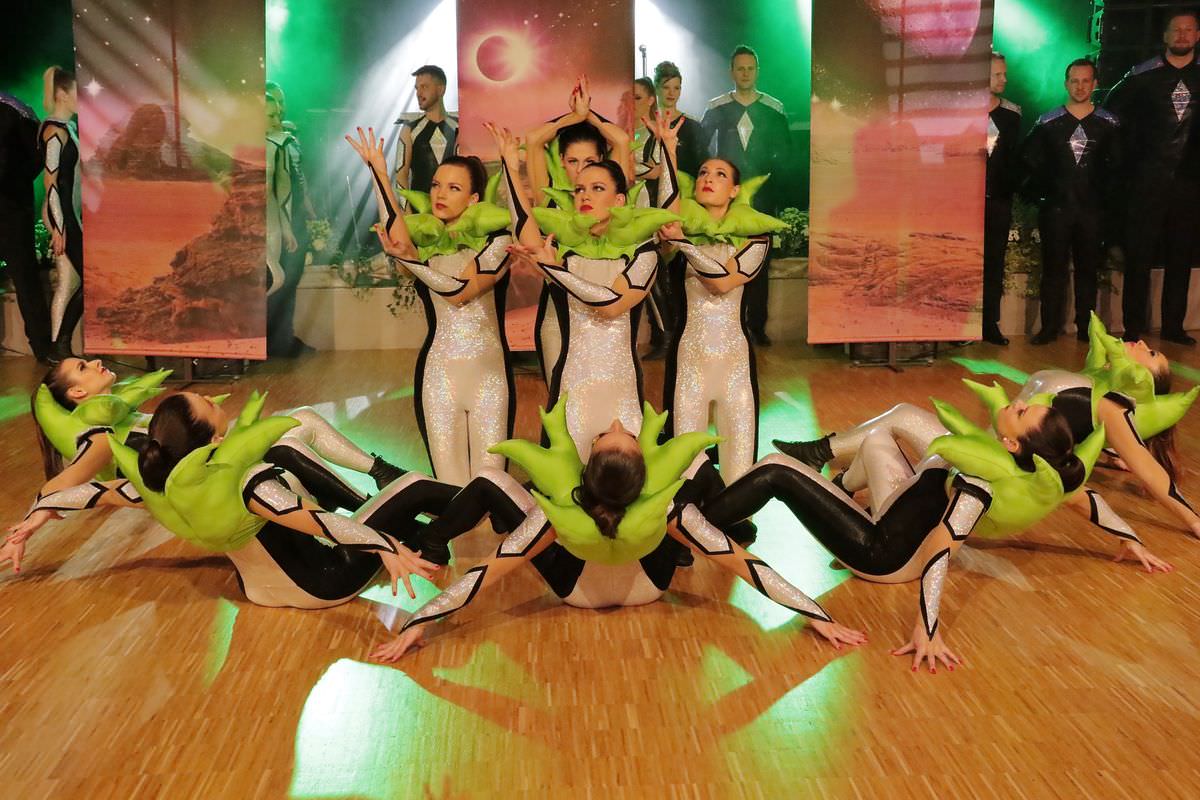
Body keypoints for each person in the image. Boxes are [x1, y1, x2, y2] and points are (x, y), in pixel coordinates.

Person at [369, 396, 866, 662]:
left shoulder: (559, 513)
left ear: (586, 470)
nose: (614, 423)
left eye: (612, 433)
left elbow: (484, 576)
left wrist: (418, 624)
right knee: (696, 472)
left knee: (494, 480)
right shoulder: (666, 509)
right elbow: (746, 566)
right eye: (621, 433)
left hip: (575, 593)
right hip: (648, 588)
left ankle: (432, 539)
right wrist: (816, 614)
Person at [759, 394, 1171, 670]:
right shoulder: (1006, 457)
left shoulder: (980, 481)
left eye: (1022, 412)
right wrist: (1129, 537)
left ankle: (839, 490)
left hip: (891, 553)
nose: (1020, 401)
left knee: (843, 453)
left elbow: (941, 547)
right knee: (880, 435)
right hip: (905, 508)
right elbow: (1086, 499)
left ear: (1012, 444)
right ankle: (842, 487)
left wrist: (927, 629)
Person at [5, 392, 447, 609]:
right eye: (208, 403)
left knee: (288, 443)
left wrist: (35, 517)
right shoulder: (246, 483)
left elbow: (95, 494)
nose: (217, 401)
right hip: (324, 584)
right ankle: (430, 509)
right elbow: (321, 524)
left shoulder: (164, 488)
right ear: (215, 438)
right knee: (413, 485)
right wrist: (384, 545)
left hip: (256, 591)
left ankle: (387, 504)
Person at [491, 121, 675, 454]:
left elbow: (613, 306)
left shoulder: (642, 252)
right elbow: (524, 228)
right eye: (579, 190)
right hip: (570, 391)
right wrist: (510, 167)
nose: (585, 195)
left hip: (622, 394)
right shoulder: (562, 249)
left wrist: (554, 270)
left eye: (597, 188)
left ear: (619, 199)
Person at [26, 358, 407, 518]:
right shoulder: (99, 436)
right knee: (293, 433)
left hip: (216, 463)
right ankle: (378, 504)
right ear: (78, 393)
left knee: (301, 419)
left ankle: (382, 477)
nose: (95, 362)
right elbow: (62, 484)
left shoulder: (122, 415)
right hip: (212, 484)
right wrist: (33, 519)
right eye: (83, 367)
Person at [348, 127, 515, 486]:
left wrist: (413, 263)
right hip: (438, 377)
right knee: (450, 491)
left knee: (490, 489)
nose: (440, 193)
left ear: (473, 199)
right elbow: (397, 236)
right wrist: (378, 171)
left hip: (489, 378)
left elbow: (460, 293)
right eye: (436, 185)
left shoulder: (498, 243)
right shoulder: (424, 244)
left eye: (453, 188)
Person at [652, 111, 785, 483]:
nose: (708, 178)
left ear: (736, 191)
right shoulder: (678, 239)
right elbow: (668, 214)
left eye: (720, 175)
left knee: (738, 475)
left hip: (735, 367)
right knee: (685, 471)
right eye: (703, 173)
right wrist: (668, 149)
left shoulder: (755, 238)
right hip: (688, 363)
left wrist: (686, 245)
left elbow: (723, 284)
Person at [523, 77, 636, 383]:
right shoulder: (550, 199)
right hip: (558, 317)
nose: (580, 169)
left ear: (602, 160)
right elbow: (533, 140)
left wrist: (589, 115)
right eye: (572, 161)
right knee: (560, 401)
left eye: (589, 161)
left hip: (609, 319)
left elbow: (621, 141)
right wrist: (574, 117)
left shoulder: (611, 195)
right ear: (561, 161)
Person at [1106, 9, 1200, 345]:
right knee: (1139, 257)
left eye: (1189, 29)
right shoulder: (1141, 77)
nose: (1182, 35)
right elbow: (1111, 120)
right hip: (1146, 183)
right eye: (1176, 29)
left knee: (1180, 257)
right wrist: (1128, 168)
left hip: (1189, 184)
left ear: (1198, 35)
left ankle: (1173, 326)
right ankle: (1132, 327)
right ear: (1165, 35)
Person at [1021, 58, 1121, 344]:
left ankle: (1086, 328)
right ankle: (1049, 327)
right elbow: (1028, 163)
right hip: (1056, 209)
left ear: (1095, 84)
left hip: (1092, 210)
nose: (1080, 86)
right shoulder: (1047, 123)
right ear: (1066, 84)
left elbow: (1118, 168)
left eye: (1085, 81)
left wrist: (1107, 202)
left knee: (1088, 271)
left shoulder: (1109, 124)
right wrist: (1042, 194)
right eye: (1074, 81)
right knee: (1053, 270)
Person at [700, 46, 791, 346]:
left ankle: (757, 325)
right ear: (731, 72)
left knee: (759, 262)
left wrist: (773, 191)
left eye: (750, 68)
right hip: (725, 201)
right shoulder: (716, 108)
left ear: (757, 71)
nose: (745, 73)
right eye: (740, 68)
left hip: (761, 201)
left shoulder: (774, 109)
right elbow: (702, 154)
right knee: (725, 258)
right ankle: (730, 325)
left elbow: (785, 156)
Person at [265, 81, 316, 357]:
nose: (280, 108)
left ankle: (283, 337)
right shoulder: (271, 142)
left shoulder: (289, 138)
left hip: (291, 216)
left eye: (281, 102)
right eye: (274, 103)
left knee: (290, 276)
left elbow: (296, 178)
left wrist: (307, 205)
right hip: (272, 219)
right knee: (275, 277)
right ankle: (272, 340)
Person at [0, 89, 51, 362]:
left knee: (25, 278)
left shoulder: (15, 109)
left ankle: (43, 347)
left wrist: (11, 184)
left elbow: (39, 155)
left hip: (11, 208)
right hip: (13, 204)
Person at [39, 66, 82, 361]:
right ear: (62, 94)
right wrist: (58, 226)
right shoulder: (54, 132)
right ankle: (59, 345)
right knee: (82, 281)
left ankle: (58, 348)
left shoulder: (68, 128)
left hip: (69, 213)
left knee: (70, 282)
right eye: (76, 93)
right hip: (61, 214)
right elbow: (50, 182)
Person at [983, 52, 1021, 345]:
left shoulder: (1012, 114)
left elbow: (1014, 158)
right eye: (997, 74)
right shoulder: (960, 112)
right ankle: (960, 324)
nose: (1004, 79)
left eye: (1004, 73)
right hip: (963, 202)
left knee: (994, 262)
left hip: (998, 200)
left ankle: (989, 323)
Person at [394, 65, 458, 197]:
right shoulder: (409, 129)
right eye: (417, 88)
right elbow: (401, 176)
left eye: (424, 87)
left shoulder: (459, 126)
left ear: (441, 89)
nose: (418, 93)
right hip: (420, 209)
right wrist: (406, 208)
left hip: (456, 207)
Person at [653, 61, 707, 177]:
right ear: (656, 88)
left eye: (676, 88)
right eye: (666, 87)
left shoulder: (693, 126)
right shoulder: (647, 123)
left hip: (683, 186)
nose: (671, 93)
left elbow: (703, 165)